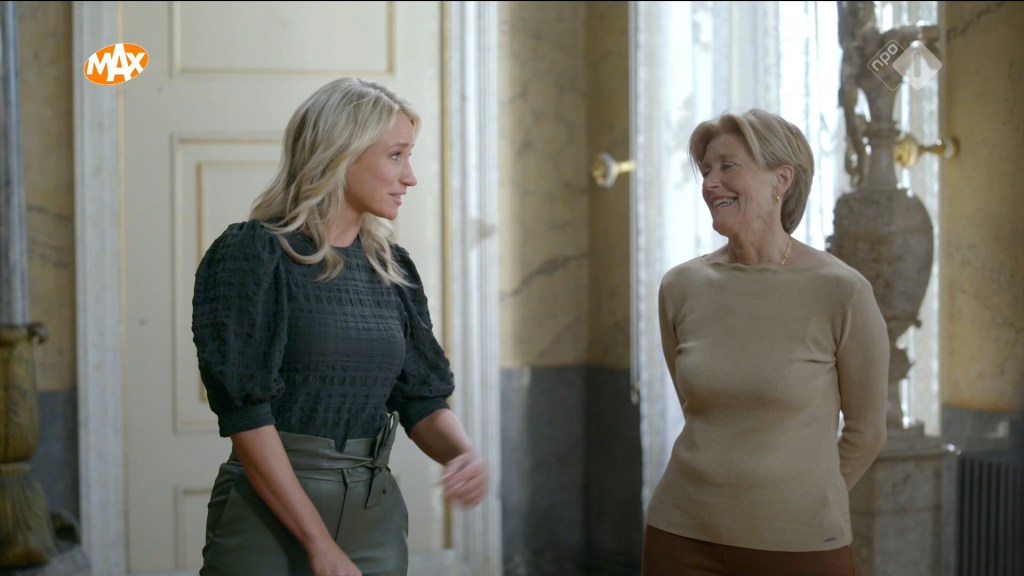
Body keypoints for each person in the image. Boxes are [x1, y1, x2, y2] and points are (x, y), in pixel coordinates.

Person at [191, 77, 487, 576]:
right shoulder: (254, 254)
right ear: (340, 154)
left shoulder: (391, 268)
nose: (410, 177)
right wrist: (319, 544)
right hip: (268, 519)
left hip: (375, 517)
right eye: (396, 155)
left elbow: (421, 399)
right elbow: (246, 416)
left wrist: (463, 453)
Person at [641, 109, 889, 576]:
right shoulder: (681, 286)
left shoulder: (842, 291)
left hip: (801, 542)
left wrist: (804, 502)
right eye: (706, 170)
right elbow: (700, 411)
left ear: (782, 179)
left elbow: (867, 431)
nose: (710, 183)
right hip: (681, 533)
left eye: (727, 166)